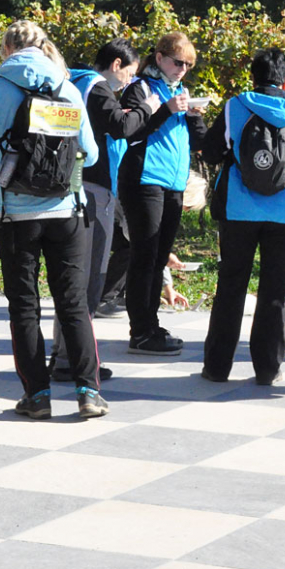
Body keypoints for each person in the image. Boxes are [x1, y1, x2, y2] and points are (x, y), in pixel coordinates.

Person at [0, 20, 107, 419]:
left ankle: (37, 396)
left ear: (6, 49)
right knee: (73, 303)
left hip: (14, 213)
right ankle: (88, 392)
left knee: (24, 305)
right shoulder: (67, 88)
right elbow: (90, 152)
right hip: (67, 208)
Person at [199, 48, 285, 385]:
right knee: (274, 290)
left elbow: (211, 152)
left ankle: (217, 367)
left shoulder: (235, 106)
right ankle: (268, 369)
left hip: (238, 210)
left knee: (231, 284)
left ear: (253, 77)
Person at [49, 38, 160, 382]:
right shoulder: (97, 88)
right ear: (115, 65)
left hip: (69, 185)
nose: (128, 82)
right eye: (128, 73)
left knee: (72, 277)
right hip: (94, 189)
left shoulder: (72, 82)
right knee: (90, 279)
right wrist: (148, 108)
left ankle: (63, 355)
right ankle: (75, 361)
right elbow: (121, 127)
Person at [117, 32, 207, 355]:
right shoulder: (139, 88)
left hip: (174, 184)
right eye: (177, 62)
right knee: (144, 256)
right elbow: (130, 132)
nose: (182, 70)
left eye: (188, 65)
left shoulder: (180, 91)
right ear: (159, 58)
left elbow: (198, 143)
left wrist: (195, 119)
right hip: (144, 179)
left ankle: (151, 325)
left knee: (159, 258)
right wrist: (167, 110)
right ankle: (140, 331)